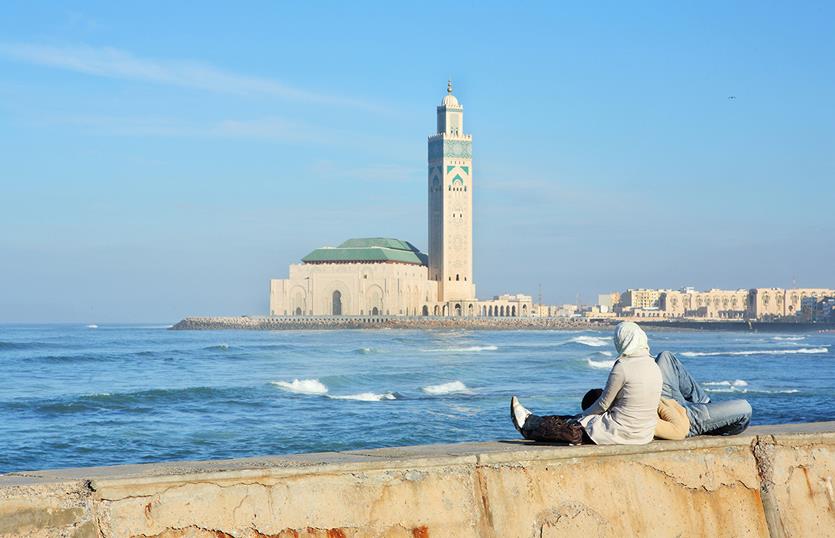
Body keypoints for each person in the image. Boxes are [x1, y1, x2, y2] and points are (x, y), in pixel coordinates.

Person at [510, 322, 662, 445]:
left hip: (621, 433)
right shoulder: (654, 366)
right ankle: (532, 420)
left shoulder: (622, 366)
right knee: (579, 419)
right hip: (644, 434)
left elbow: (603, 405)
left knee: (572, 430)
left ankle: (528, 427)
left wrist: (580, 417)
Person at [654, 351, 752, 436]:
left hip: (664, 399)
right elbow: (678, 431)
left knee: (666, 356)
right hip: (681, 418)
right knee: (744, 407)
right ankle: (712, 425)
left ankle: (705, 404)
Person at [581, 387, 690, 440]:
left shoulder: (625, 409)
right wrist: (653, 398)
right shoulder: (635, 416)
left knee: (665, 357)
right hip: (688, 417)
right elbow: (680, 431)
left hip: (673, 405)